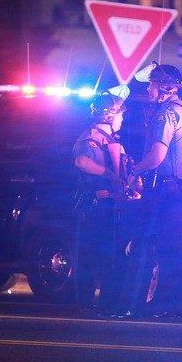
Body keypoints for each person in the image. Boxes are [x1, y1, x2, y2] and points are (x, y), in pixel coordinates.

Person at [125, 62, 182, 319]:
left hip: (163, 190)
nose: (148, 89)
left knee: (160, 245)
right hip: (179, 188)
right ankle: (173, 303)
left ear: (163, 88)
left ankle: (162, 303)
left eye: (151, 84)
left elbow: (157, 155)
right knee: (173, 246)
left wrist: (134, 171)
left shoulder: (165, 113)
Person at [72, 86, 130, 316]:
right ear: (109, 114)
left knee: (111, 255)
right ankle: (86, 302)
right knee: (90, 255)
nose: (122, 118)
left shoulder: (111, 139)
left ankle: (108, 303)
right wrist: (108, 174)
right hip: (95, 206)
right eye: (121, 114)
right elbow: (82, 162)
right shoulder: (91, 136)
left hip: (110, 205)